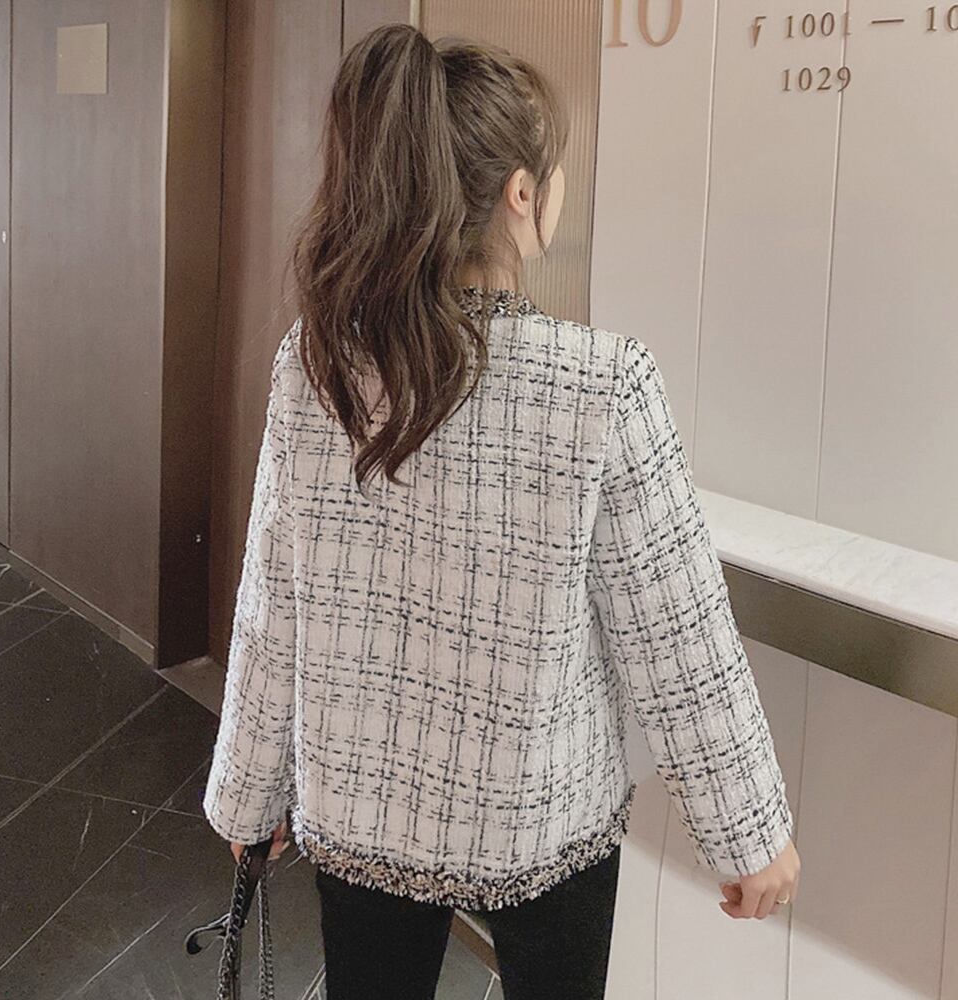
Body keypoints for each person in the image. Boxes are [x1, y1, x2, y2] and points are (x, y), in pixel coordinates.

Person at [202, 21, 801, 1000]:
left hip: (362, 815)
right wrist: (749, 832)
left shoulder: (317, 369)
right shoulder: (601, 384)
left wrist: (246, 790)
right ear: (522, 194)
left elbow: (274, 604)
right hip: (542, 821)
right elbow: (678, 637)